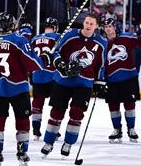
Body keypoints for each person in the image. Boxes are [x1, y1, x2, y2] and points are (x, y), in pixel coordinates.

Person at [0, 12, 44, 166]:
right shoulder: (19, 40)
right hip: (18, 88)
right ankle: (22, 152)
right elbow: (32, 63)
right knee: (22, 121)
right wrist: (43, 59)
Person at [40, 13, 107, 157]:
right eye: (87, 23)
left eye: (91, 24)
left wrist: (99, 81)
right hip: (63, 80)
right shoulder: (70, 35)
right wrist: (61, 64)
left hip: (84, 82)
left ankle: (68, 143)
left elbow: (101, 65)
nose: (88, 26)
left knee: (77, 113)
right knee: (56, 113)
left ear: (96, 26)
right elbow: (55, 52)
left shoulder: (101, 42)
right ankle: (49, 142)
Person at [103, 18, 141, 143]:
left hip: (128, 78)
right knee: (113, 106)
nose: (107, 28)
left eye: (109, 26)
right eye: (105, 26)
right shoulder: (102, 43)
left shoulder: (126, 38)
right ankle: (117, 129)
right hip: (111, 79)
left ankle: (131, 128)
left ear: (115, 27)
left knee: (129, 104)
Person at [30, 17, 60, 140]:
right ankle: (53, 130)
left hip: (37, 75)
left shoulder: (34, 38)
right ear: (55, 27)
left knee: (37, 104)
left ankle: (36, 128)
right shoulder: (58, 37)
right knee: (57, 105)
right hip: (52, 75)